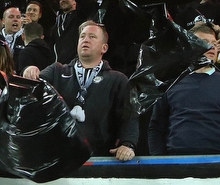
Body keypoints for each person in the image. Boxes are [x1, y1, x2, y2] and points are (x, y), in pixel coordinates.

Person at [24, 22, 138, 161]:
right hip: (58, 159)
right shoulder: (57, 70)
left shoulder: (117, 80)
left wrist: (128, 144)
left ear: (104, 47)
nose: (86, 39)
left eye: (92, 36)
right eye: (82, 36)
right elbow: (30, 91)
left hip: (98, 159)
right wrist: (29, 71)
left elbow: (129, 116)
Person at [148, 23, 220, 155]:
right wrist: (160, 161)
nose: (211, 47)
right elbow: (156, 127)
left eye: (214, 43)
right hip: (176, 161)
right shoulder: (170, 82)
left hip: (217, 162)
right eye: (203, 42)